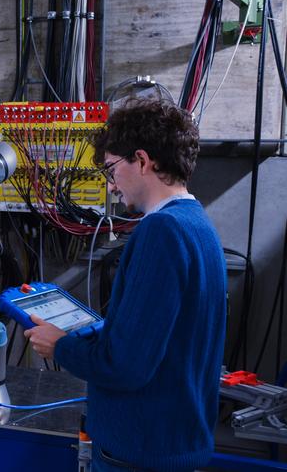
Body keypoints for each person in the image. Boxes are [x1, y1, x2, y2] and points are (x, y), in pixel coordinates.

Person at [24, 98, 226, 472]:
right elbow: (161, 340)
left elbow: (125, 367)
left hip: (139, 452)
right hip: (172, 442)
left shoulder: (161, 232)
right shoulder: (198, 225)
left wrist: (60, 346)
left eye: (111, 169)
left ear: (143, 161)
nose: (111, 184)